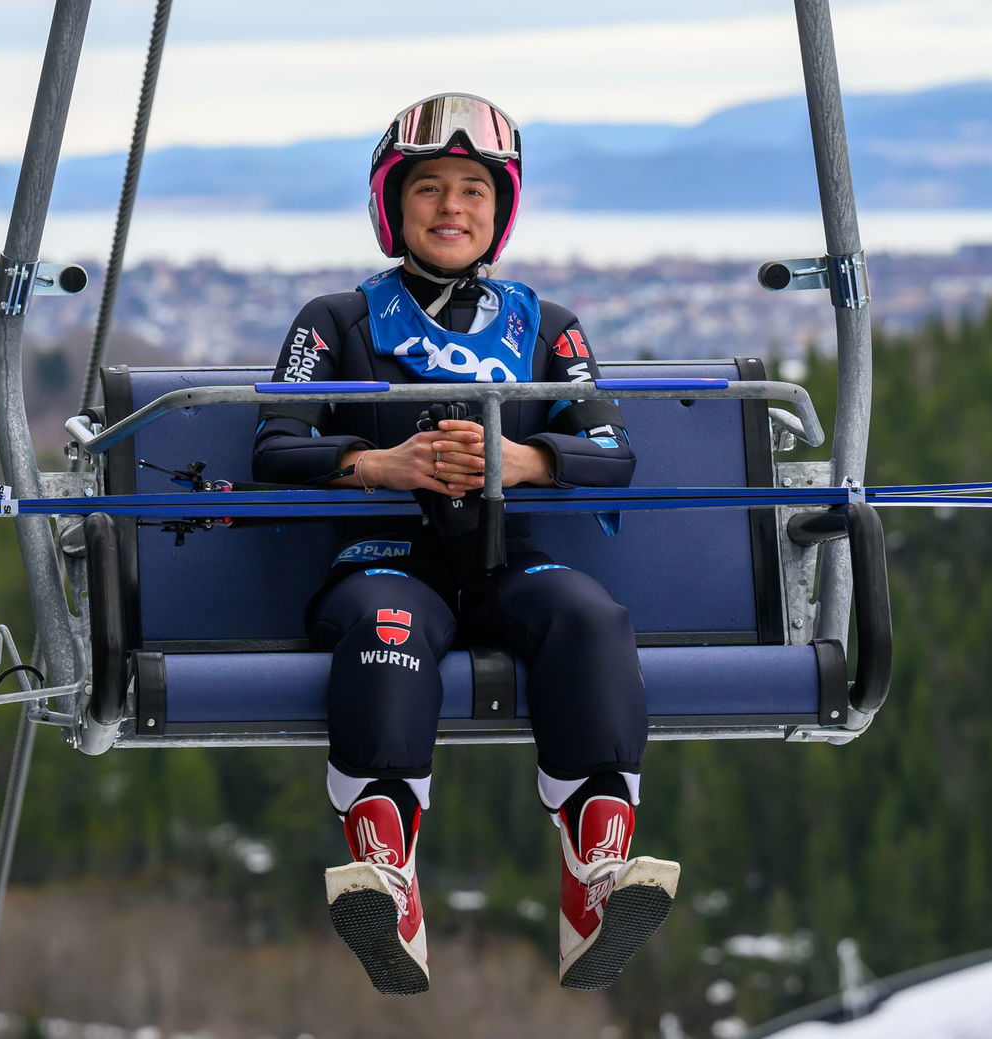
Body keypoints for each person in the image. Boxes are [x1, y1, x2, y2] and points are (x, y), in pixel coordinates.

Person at [252, 93, 679, 995]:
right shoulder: (335, 322)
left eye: (475, 191)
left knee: (591, 618)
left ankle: (595, 866)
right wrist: (382, 462)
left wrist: (527, 458)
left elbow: (614, 450)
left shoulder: (547, 326)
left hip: (504, 554)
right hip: (385, 557)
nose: (453, 208)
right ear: (393, 208)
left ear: (501, 209)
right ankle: (385, 868)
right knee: (388, 626)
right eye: (431, 190)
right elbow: (273, 446)